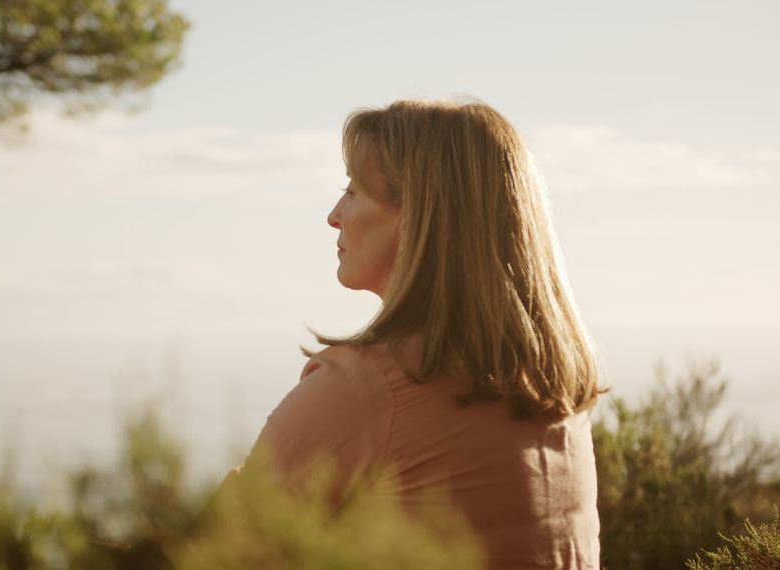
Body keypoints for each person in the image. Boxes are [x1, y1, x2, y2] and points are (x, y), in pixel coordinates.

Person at [242, 98, 604, 569]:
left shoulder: (365, 389)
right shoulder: (551, 391)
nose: (334, 214)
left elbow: (207, 551)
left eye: (353, 191)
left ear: (417, 217)